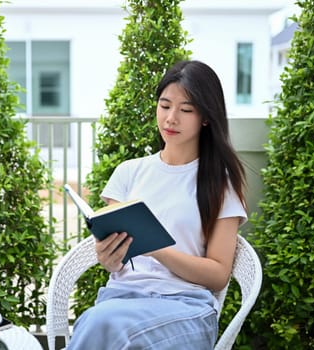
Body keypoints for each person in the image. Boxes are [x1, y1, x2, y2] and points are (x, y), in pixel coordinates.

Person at [67, 60, 247, 349]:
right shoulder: (128, 173)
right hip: (122, 301)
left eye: (185, 109)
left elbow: (218, 275)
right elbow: (115, 265)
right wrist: (108, 257)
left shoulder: (219, 183)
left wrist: (157, 248)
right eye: (164, 106)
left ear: (205, 116)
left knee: (103, 326)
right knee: (96, 321)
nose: (171, 118)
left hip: (186, 309)